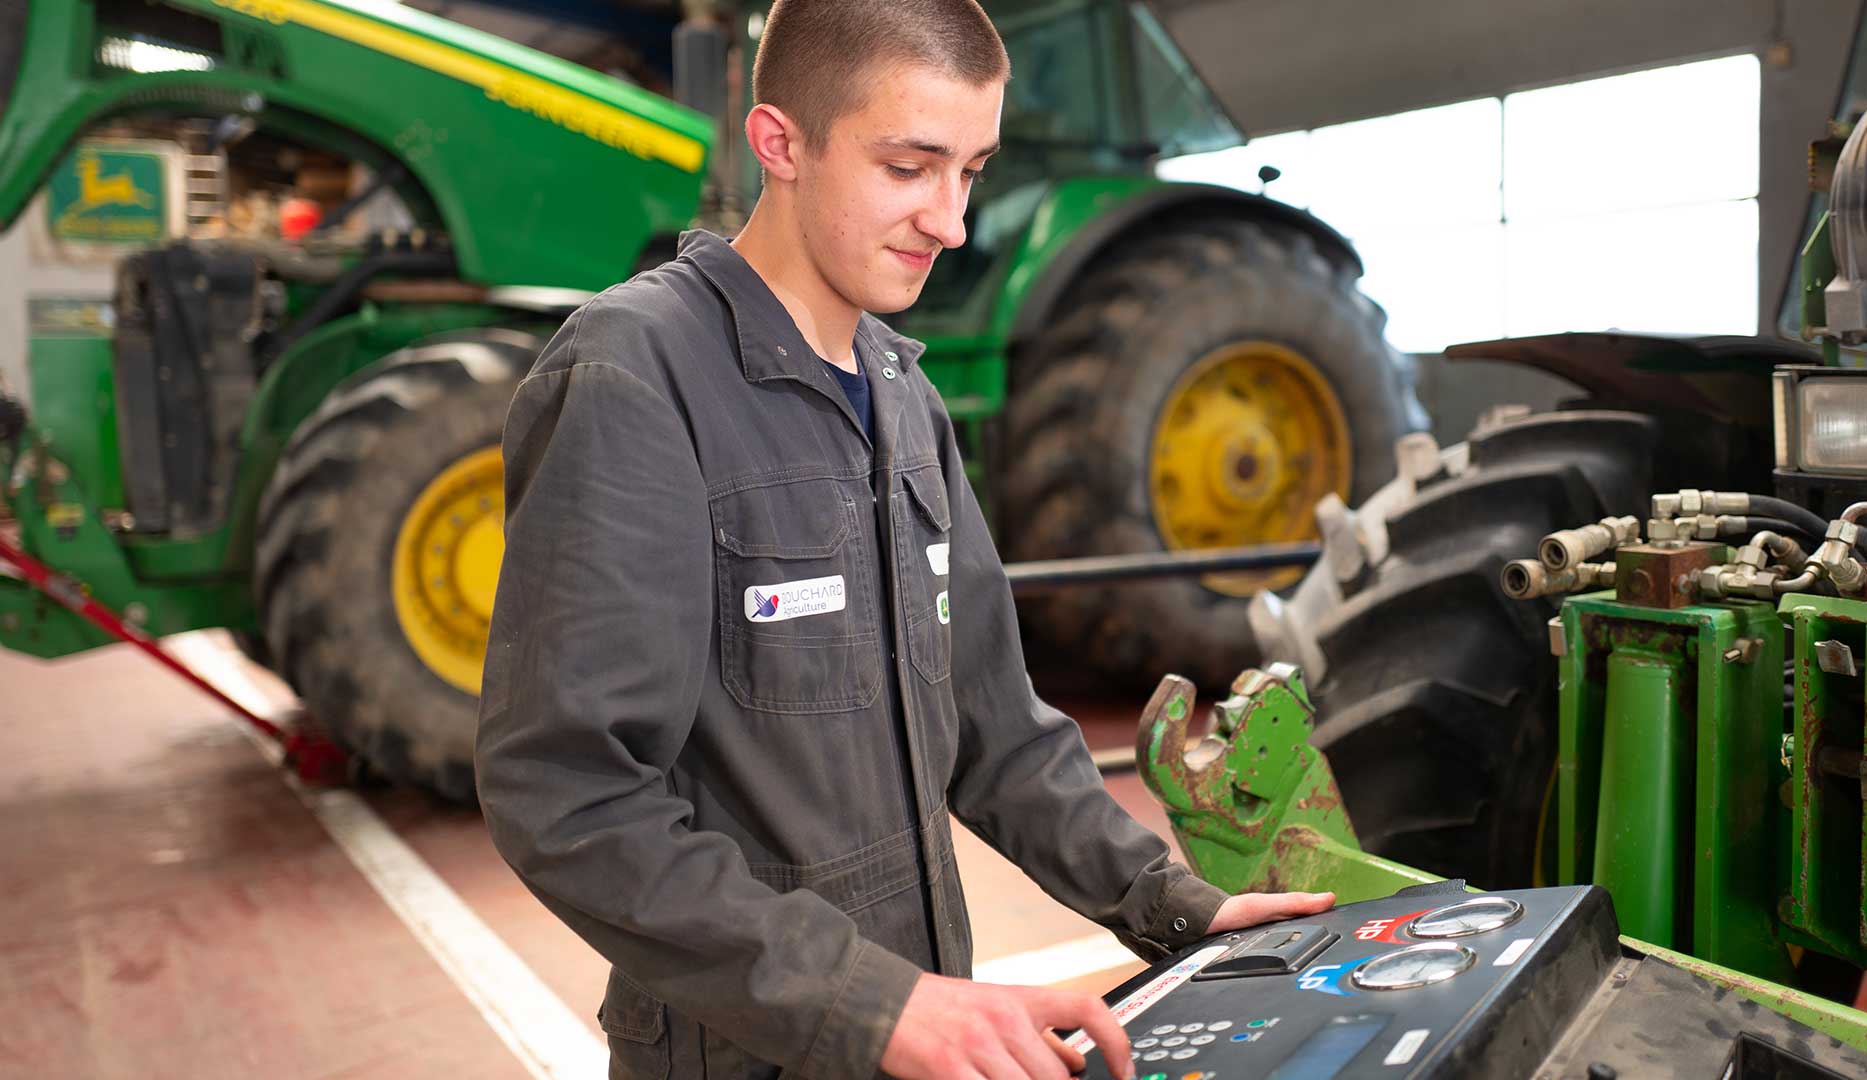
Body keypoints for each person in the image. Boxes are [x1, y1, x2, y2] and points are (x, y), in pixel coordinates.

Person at [474, 2, 1335, 1077]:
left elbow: (994, 726)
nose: (952, 221)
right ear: (780, 141)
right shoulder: (636, 377)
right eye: (910, 167)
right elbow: (570, 793)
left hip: (921, 1032)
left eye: (970, 171)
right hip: (751, 1052)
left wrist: (1170, 908)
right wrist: (873, 1007)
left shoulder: (903, 394)